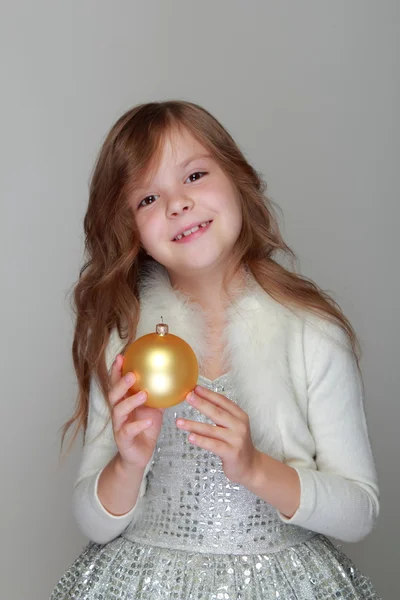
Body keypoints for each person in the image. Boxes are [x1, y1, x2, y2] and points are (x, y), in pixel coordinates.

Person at [51, 100, 381, 599]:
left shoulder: (311, 332)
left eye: (195, 175)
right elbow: (93, 523)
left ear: (238, 180)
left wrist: (255, 467)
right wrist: (128, 463)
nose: (177, 204)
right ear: (130, 232)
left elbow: (359, 510)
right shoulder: (123, 340)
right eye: (147, 199)